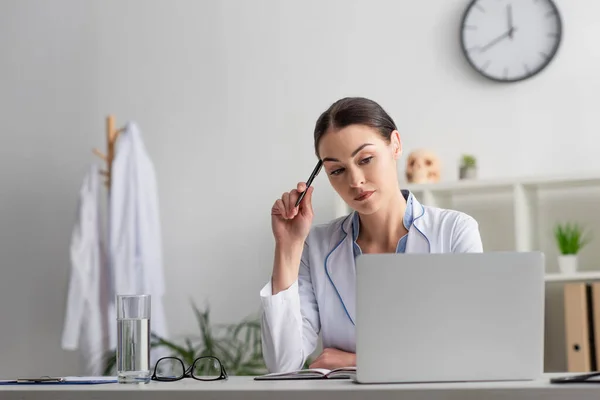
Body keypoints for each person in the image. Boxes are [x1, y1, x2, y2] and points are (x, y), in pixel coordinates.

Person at [259, 97, 483, 374]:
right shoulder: (316, 246)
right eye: (337, 170)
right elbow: (282, 363)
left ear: (396, 145)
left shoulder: (454, 231)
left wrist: (357, 361)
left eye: (365, 159)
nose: (355, 181)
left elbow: (471, 349)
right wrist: (288, 247)